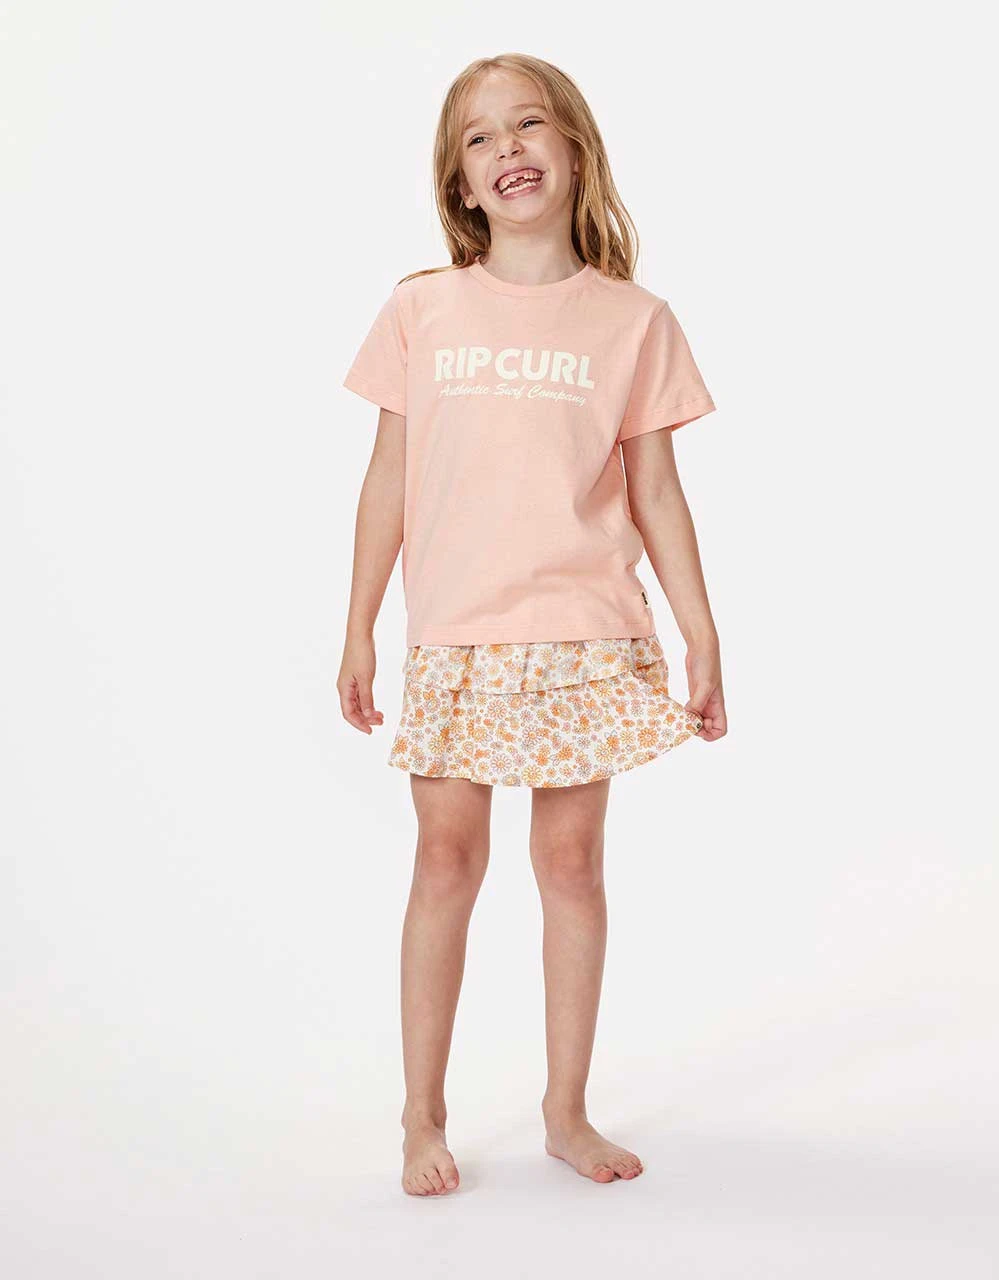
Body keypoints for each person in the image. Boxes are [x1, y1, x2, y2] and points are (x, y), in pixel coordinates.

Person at [337, 52, 727, 1197]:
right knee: (446, 856)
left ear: (574, 150)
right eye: (480, 137)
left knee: (570, 861)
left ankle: (566, 1108)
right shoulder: (422, 309)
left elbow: (658, 492)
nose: (508, 147)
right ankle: (421, 1114)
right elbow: (387, 478)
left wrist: (702, 633)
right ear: (459, 183)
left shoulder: (634, 320)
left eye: (530, 125)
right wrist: (359, 625)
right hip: (455, 630)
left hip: (583, 626)